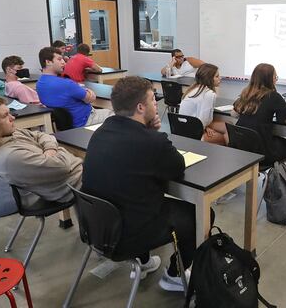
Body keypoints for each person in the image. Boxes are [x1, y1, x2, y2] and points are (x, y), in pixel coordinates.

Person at [82, 76, 211, 291]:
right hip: (127, 236)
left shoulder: (101, 131)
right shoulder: (153, 142)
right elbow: (177, 166)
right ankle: (174, 276)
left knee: (130, 195)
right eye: (152, 100)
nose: (155, 104)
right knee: (200, 214)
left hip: (97, 229)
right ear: (140, 107)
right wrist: (153, 134)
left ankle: (142, 263)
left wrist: (147, 132)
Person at [0, 97, 82, 206]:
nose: (12, 118)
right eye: (5, 116)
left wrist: (50, 150)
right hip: (72, 186)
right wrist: (56, 149)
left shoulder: (6, 134)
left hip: (72, 171)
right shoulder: (8, 157)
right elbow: (62, 166)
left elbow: (41, 135)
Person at [234, 63, 286, 185]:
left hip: (241, 147)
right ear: (270, 79)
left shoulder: (246, 93)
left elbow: (233, 114)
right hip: (261, 151)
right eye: (275, 77)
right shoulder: (273, 96)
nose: (276, 80)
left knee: (280, 144)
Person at [35, 47, 113, 128]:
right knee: (118, 115)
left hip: (66, 125)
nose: (64, 63)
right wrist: (88, 90)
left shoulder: (39, 84)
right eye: (59, 59)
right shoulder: (66, 84)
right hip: (86, 120)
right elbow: (90, 99)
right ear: (48, 62)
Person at [179, 63, 228, 145]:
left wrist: (206, 127)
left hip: (182, 130)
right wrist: (205, 127)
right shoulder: (209, 94)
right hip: (194, 135)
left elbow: (202, 120)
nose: (220, 78)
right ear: (209, 78)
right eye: (217, 76)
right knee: (227, 133)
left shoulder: (193, 89)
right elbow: (203, 120)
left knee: (227, 126)